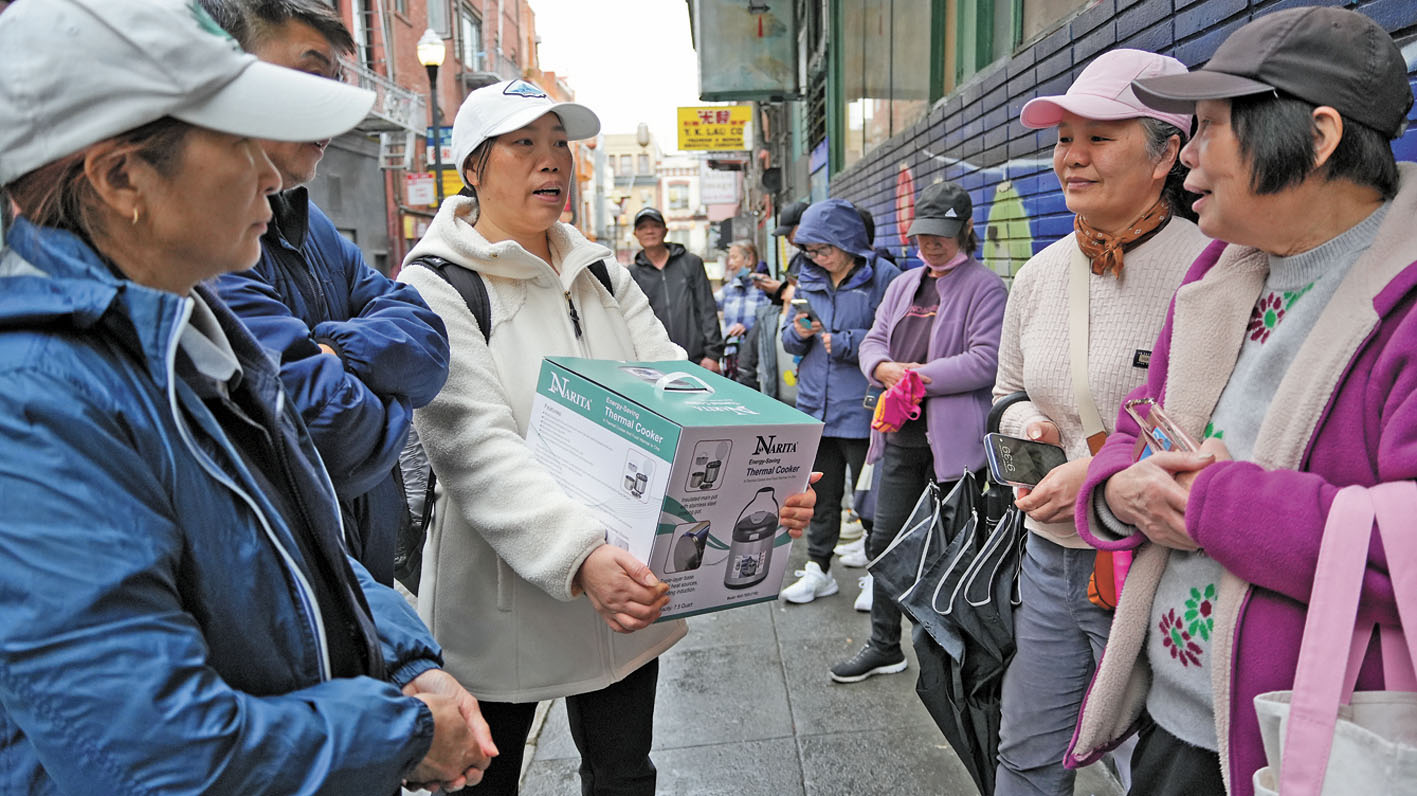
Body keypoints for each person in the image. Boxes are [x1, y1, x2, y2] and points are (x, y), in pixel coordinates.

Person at [0, 1, 496, 793]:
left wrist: (407, 661)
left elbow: (301, 550)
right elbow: (152, 756)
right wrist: (402, 734)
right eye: (237, 141)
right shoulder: (34, 405)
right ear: (122, 175)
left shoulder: (193, 331)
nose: (271, 172)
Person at [396, 80, 816, 795]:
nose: (550, 162)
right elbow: (473, 447)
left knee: (624, 773)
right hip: (509, 592)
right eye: (523, 144)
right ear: (473, 167)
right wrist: (577, 554)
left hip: (624, 587)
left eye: (559, 144)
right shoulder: (436, 285)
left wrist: (762, 481)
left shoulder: (598, 272)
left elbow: (681, 389)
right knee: (482, 781)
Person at [1067, 10, 1416, 795]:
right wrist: (1119, 489)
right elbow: (1140, 425)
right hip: (1169, 721)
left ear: (1317, 135)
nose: (1184, 156)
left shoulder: (1405, 303)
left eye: (1210, 127)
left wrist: (1216, 505)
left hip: (1310, 750)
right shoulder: (1218, 277)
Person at [989, 49, 1210, 795]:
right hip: (1048, 555)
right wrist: (1023, 424)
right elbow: (1004, 392)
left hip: (1159, 564)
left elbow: (1220, 426)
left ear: (1166, 154)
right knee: (1025, 748)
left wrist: (1102, 471)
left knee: (1151, 763)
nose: (1071, 158)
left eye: (1098, 137)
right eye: (1062, 139)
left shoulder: (1214, 267)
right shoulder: (1038, 273)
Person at [200, 0, 450, 587]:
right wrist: (391, 397)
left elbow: (430, 343)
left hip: (363, 571)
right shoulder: (202, 237)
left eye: (337, 84)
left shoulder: (310, 224)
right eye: (309, 78)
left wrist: (331, 351)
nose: (331, 112)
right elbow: (327, 430)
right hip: (286, 577)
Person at [840, 181, 1008, 681]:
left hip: (954, 447)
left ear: (965, 230)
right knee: (885, 542)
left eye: (941, 236)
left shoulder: (985, 286)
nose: (930, 245)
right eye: (922, 236)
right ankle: (883, 643)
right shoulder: (903, 284)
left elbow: (986, 361)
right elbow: (872, 341)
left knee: (954, 550)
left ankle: (953, 652)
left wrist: (917, 377)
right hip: (897, 436)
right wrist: (884, 368)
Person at [779, 198, 900, 606]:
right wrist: (798, 332)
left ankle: (874, 573)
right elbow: (787, 338)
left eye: (823, 249)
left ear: (847, 242)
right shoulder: (807, 276)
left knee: (870, 498)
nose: (816, 258)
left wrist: (848, 342)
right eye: (810, 251)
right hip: (816, 405)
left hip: (863, 405)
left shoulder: (883, 276)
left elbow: (898, 337)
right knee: (819, 495)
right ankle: (819, 569)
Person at [629, 207, 724, 373]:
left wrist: (713, 355)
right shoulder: (632, 273)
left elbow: (707, 308)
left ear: (665, 230)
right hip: (655, 363)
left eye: (655, 226)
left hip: (698, 361)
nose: (649, 231)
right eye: (642, 227)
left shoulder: (690, 263)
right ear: (635, 234)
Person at [717, 240, 771, 340]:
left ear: (749, 260)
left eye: (734, 257)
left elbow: (769, 322)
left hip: (755, 352)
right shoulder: (729, 289)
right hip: (731, 352)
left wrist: (747, 327)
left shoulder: (765, 288)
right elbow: (707, 304)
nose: (730, 263)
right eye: (729, 258)